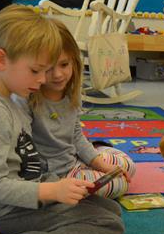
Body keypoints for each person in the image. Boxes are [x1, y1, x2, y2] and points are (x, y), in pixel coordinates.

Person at [0, 5, 124, 234]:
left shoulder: (7, 100)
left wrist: (59, 186)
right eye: (36, 70)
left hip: (28, 196)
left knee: (110, 210)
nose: (42, 79)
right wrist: (53, 190)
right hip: (9, 209)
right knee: (110, 227)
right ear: (1, 59)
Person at [25, 22, 136, 199]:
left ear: (74, 63)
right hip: (55, 175)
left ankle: (98, 150)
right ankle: (97, 157)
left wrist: (101, 165)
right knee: (115, 184)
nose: (58, 75)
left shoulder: (69, 94)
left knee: (128, 166)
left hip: (75, 160)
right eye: (49, 68)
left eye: (64, 64)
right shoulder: (29, 98)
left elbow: (76, 136)